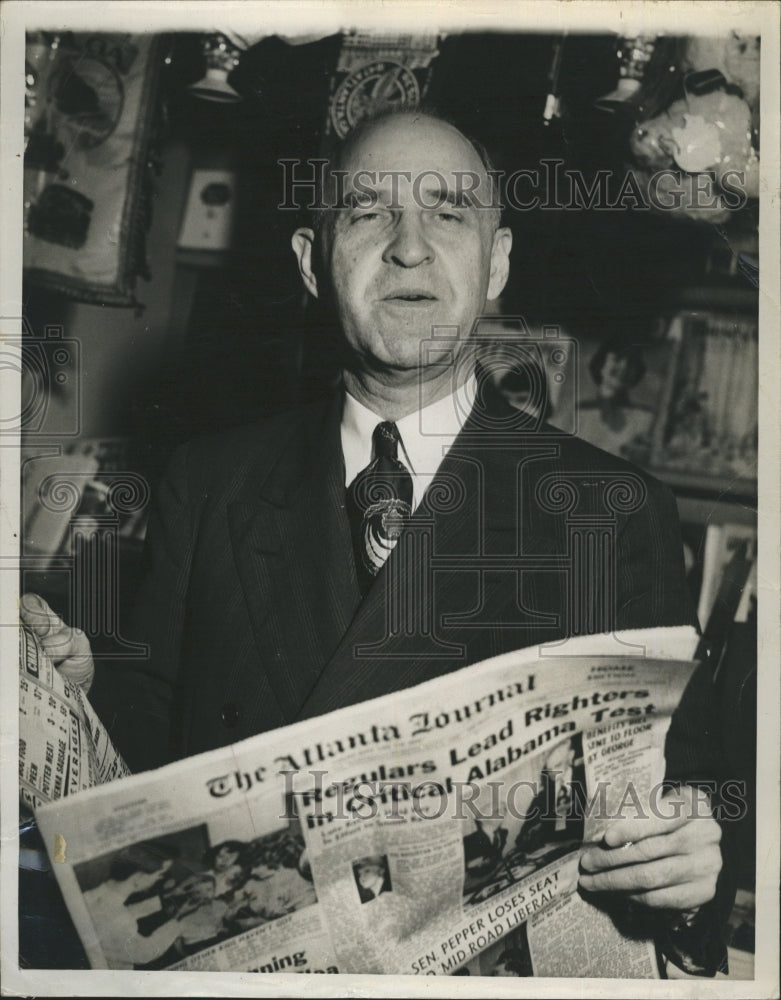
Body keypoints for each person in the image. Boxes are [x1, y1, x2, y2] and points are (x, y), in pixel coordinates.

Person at [20, 108, 730, 975]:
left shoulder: (612, 509)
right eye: (365, 212)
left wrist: (687, 863)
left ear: (496, 260)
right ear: (311, 264)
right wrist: (83, 696)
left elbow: (675, 804)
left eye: (447, 213)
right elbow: (149, 742)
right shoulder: (206, 479)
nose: (407, 247)